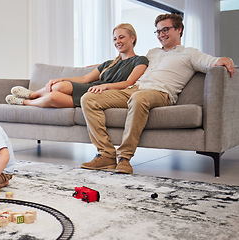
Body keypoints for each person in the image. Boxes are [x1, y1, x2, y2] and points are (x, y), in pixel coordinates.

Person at [80, 13, 235, 174]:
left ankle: (124, 158)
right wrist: (97, 68)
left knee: (138, 98)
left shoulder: (190, 53)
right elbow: (126, 62)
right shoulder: (152, 53)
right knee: (89, 99)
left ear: (179, 29)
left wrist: (225, 59)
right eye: (158, 31)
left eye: (166, 30)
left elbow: (210, 62)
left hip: (160, 93)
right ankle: (106, 154)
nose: (161, 34)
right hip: (134, 90)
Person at [5, 23, 149, 108]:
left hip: (104, 93)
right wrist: (61, 79)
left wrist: (105, 86)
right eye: (115, 38)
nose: (117, 41)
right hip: (91, 87)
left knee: (53, 97)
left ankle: (24, 102)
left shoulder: (140, 60)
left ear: (132, 38)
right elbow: (85, 78)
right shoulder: (109, 63)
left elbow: (129, 82)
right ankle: (32, 94)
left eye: (121, 37)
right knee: (58, 86)